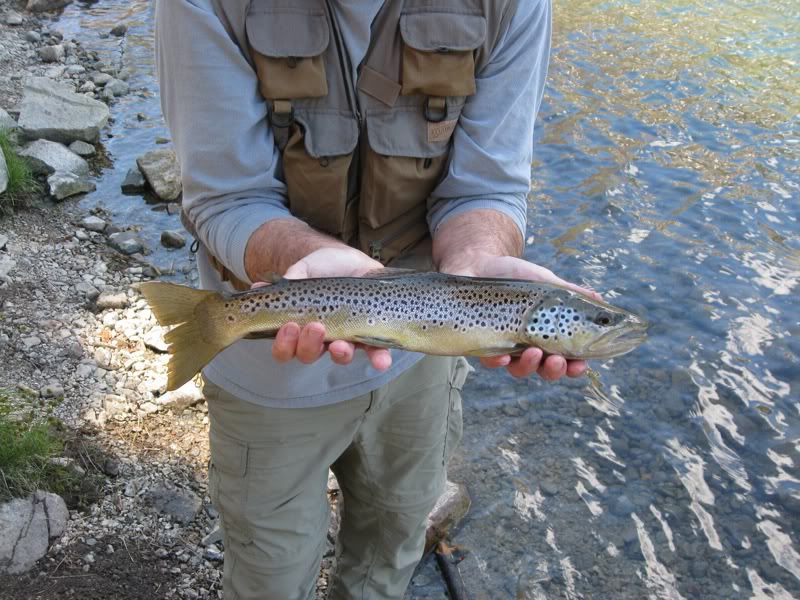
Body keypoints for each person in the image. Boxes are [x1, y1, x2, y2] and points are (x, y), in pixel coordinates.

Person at [155, 1, 597, 598]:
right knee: (270, 579)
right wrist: (300, 263)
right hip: (269, 365)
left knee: (388, 561)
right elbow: (226, 198)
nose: (601, 327)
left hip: (421, 357)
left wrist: (476, 261)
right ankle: (212, 324)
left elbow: (487, 186)